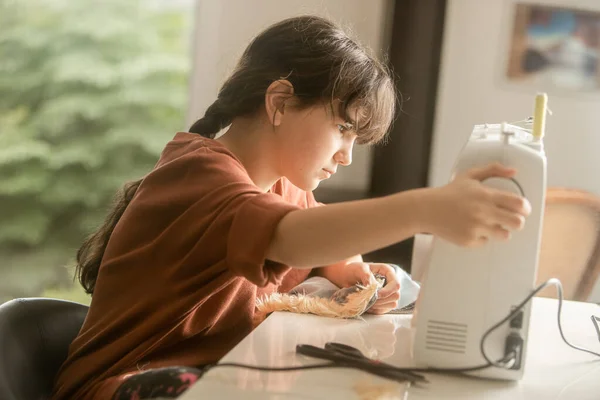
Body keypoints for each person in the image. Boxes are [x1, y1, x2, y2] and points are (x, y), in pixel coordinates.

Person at [50, 15, 531, 400]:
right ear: (279, 102)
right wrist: (424, 209)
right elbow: (292, 237)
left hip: (210, 379)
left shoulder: (283, 187)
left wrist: (359, 277)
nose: (346, 155)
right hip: (124, 387)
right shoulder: (197, 174)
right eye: (344, 129)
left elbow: (323, 246)